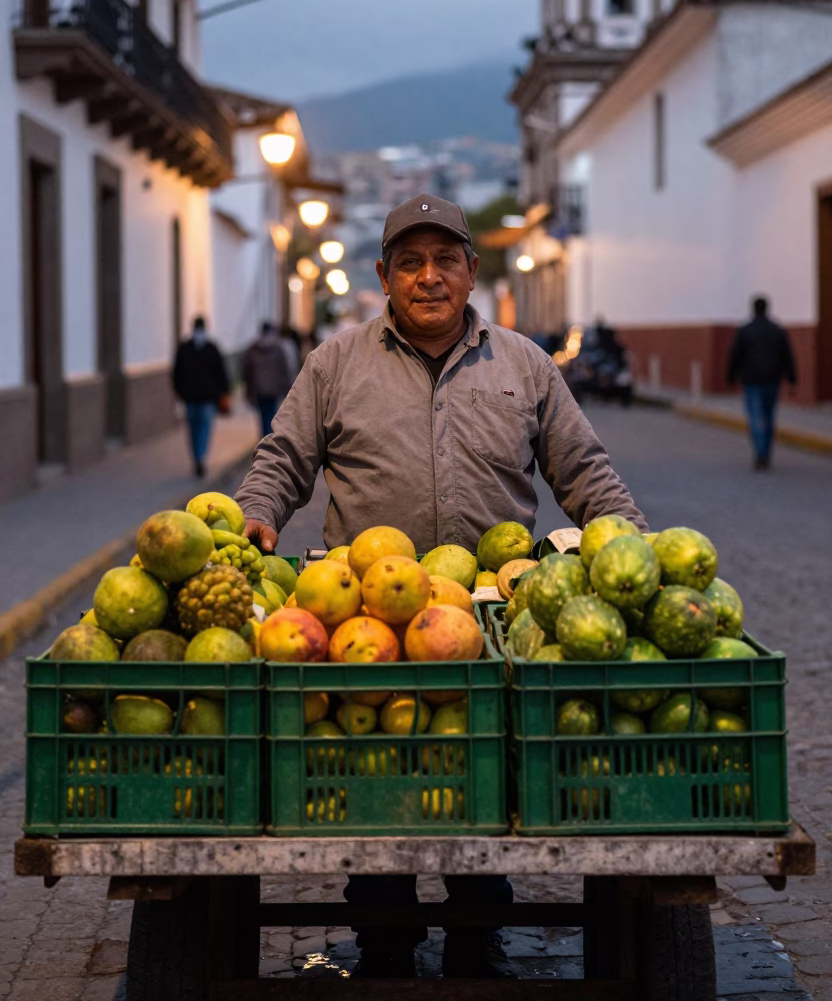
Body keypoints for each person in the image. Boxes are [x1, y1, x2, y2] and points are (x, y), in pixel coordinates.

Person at [235, 193, 646, 979]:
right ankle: (383, 930)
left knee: (483, 778)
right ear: (385, 276)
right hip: (364, 625)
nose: (430, 278)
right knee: (375, 776)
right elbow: (284, 457)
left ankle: (477, 926)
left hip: (488, 617)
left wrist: (629, 533)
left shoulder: (524, 363)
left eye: (445, 261)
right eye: (411, 263)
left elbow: (582, 469)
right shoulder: (335, 363)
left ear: (471, 272)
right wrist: (258, 513)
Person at [727, 296, 797, 470]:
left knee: (755, 416)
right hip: (772, 379)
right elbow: (787, 356)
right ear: (767, 309)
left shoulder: (745, 331)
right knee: (769, 416)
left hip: (751, 380)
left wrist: (730, 376)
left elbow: (735, 356)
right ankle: (766, 451)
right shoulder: (778, 330)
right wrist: (792, 379)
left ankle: (760, 452)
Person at [172, 316, 230, 477]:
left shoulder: (184, 348)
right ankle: (201, 457)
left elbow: (177, 373)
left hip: (190, 396)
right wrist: (224, 391)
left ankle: (197, 457)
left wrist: (179, 391)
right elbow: (221, 372)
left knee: (193, 429)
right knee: (204, 428)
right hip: (207, 397)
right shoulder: (211, 348)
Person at [242, 321, 293, 438]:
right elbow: (284, 369)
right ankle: (269, 439)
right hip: (274, 390)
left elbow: (247, 372)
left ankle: (265, 438)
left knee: (262, 415)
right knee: (272, 415)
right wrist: (288, 388)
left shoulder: (253, 349)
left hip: (258, 389)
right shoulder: (278, 348)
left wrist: (248, 390)